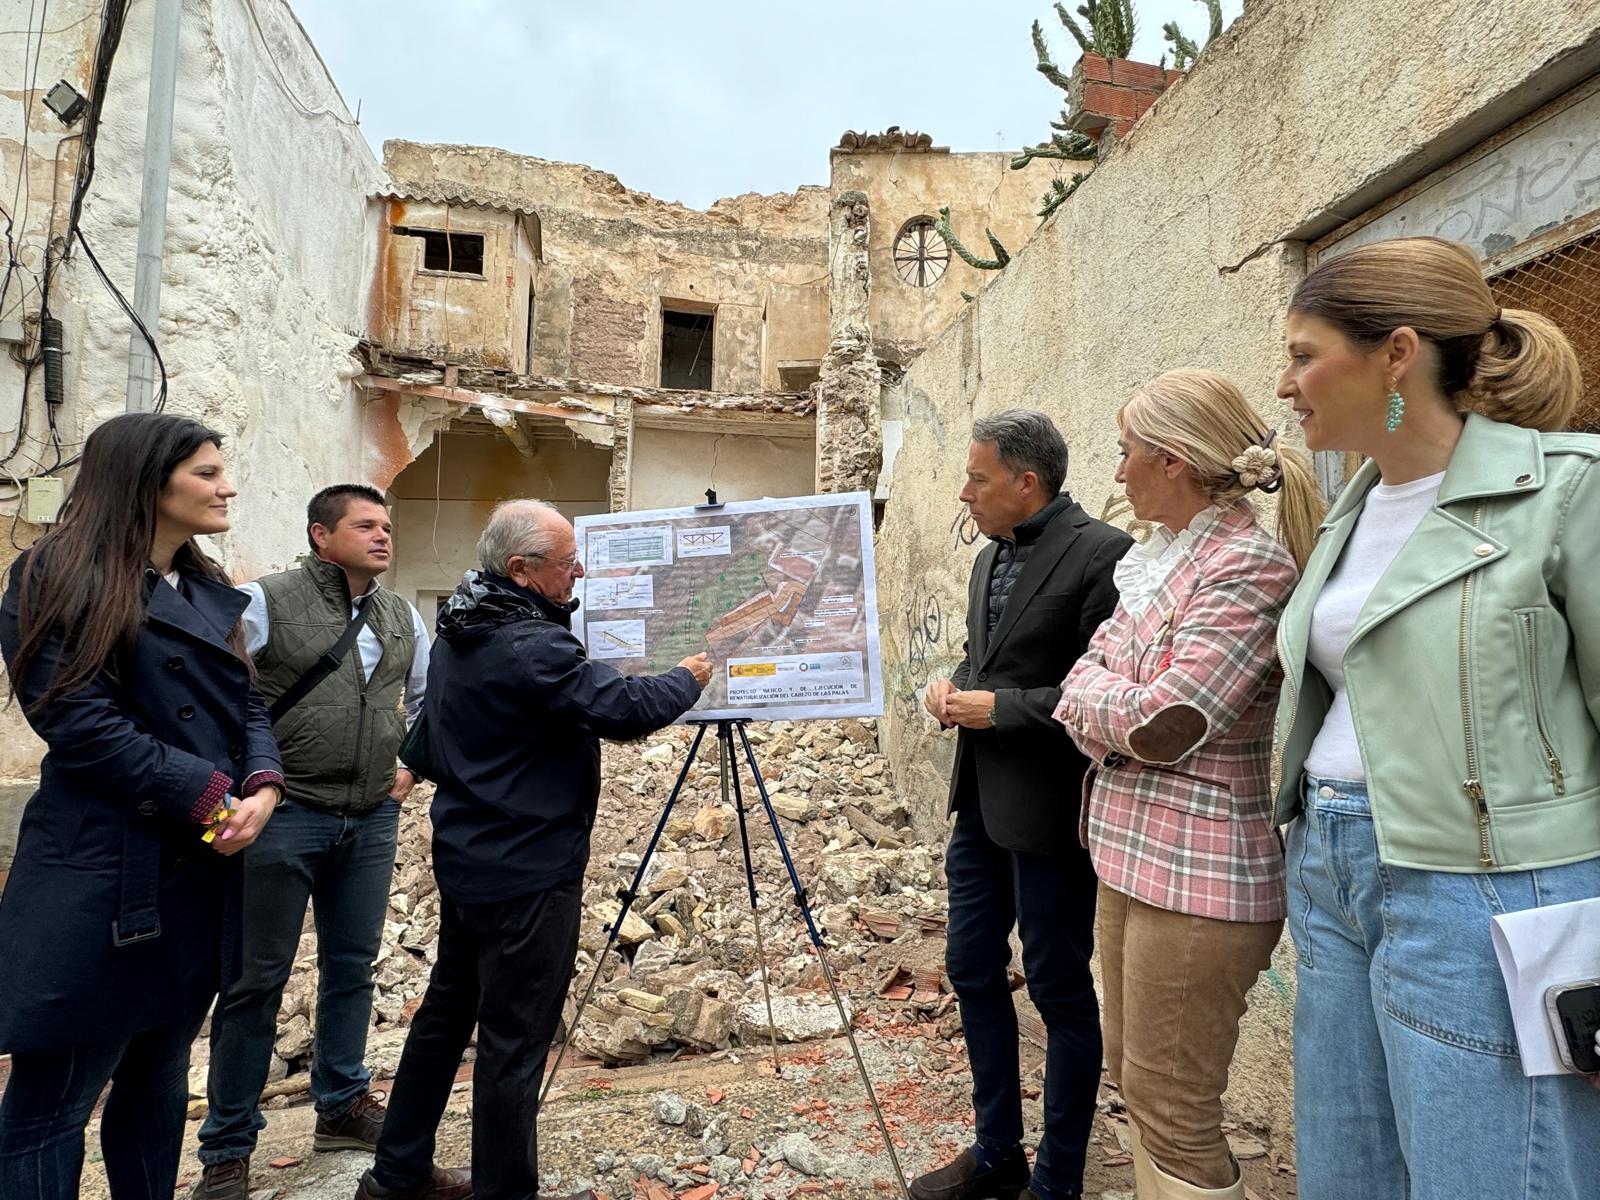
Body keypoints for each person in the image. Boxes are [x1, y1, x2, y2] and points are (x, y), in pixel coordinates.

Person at [1273, 235, 1600, 1199]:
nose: (1287, 386)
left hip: (1485, 887)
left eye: (1303, 354)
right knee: (1348, 1173)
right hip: (1332, 867)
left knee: (1491, 1173)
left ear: (1397, 354)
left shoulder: (1567, 487)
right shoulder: (1354, 507)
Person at [353, 499, 712, 1200]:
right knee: (513, 1046)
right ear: (520, 570)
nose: (579, 570)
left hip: (469, 858)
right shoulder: (530, 645)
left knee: (444, 1019)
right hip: (528, 871)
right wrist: (687, 679)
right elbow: (623, 709)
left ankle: (394, 1174)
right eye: (565, 561)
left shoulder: (461, 623)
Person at [1055, 371, 1324, 1199]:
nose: (1117, 472)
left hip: (1201, 877)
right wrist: (1106, 700)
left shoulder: (1245, 565)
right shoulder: (1164, 560)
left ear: (1171, 462)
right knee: (1138, 1090)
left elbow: (1168, 722)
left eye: (1126, 453)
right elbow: (1082, 684)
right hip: (1132, 856)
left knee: (1174, 1105)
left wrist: (1101, 703)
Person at [0, 413, 284, 1200]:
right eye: (206, 472)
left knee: (158, 1080)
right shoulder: (54, 572)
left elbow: (247, 704)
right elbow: (77, 722)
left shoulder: (205, 586)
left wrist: (261, 782)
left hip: (193, 871)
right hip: (98, 873)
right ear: (145, 481)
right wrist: (213, 796)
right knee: (52, 1102)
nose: (227, 485)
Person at [915, 411, 1132, 1200]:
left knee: (1058, 989)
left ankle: (1058, 1178)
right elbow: (987, 661)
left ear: (1025, 482)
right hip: (977, 805)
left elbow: (1102, 692)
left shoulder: (1104, 555)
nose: (964, 492)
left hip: (1050, 816)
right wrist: (951, 687)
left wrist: (997, 710)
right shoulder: (985, 561)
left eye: (977, 477)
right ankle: (996, 1150)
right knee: (971, 967)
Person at [193, 485, 433, 1199]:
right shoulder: (265, 601)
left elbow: (426, 703)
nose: (384, 536)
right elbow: (222, 696)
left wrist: (410, 768)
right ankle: (227, 1148)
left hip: (369, 817)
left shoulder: (401, 615)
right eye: (366, 525)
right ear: (322, 535)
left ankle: (341, 1104)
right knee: (254, 981)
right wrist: (239, 789)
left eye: (388, 525)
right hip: (284, 813)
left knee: (353, 966)